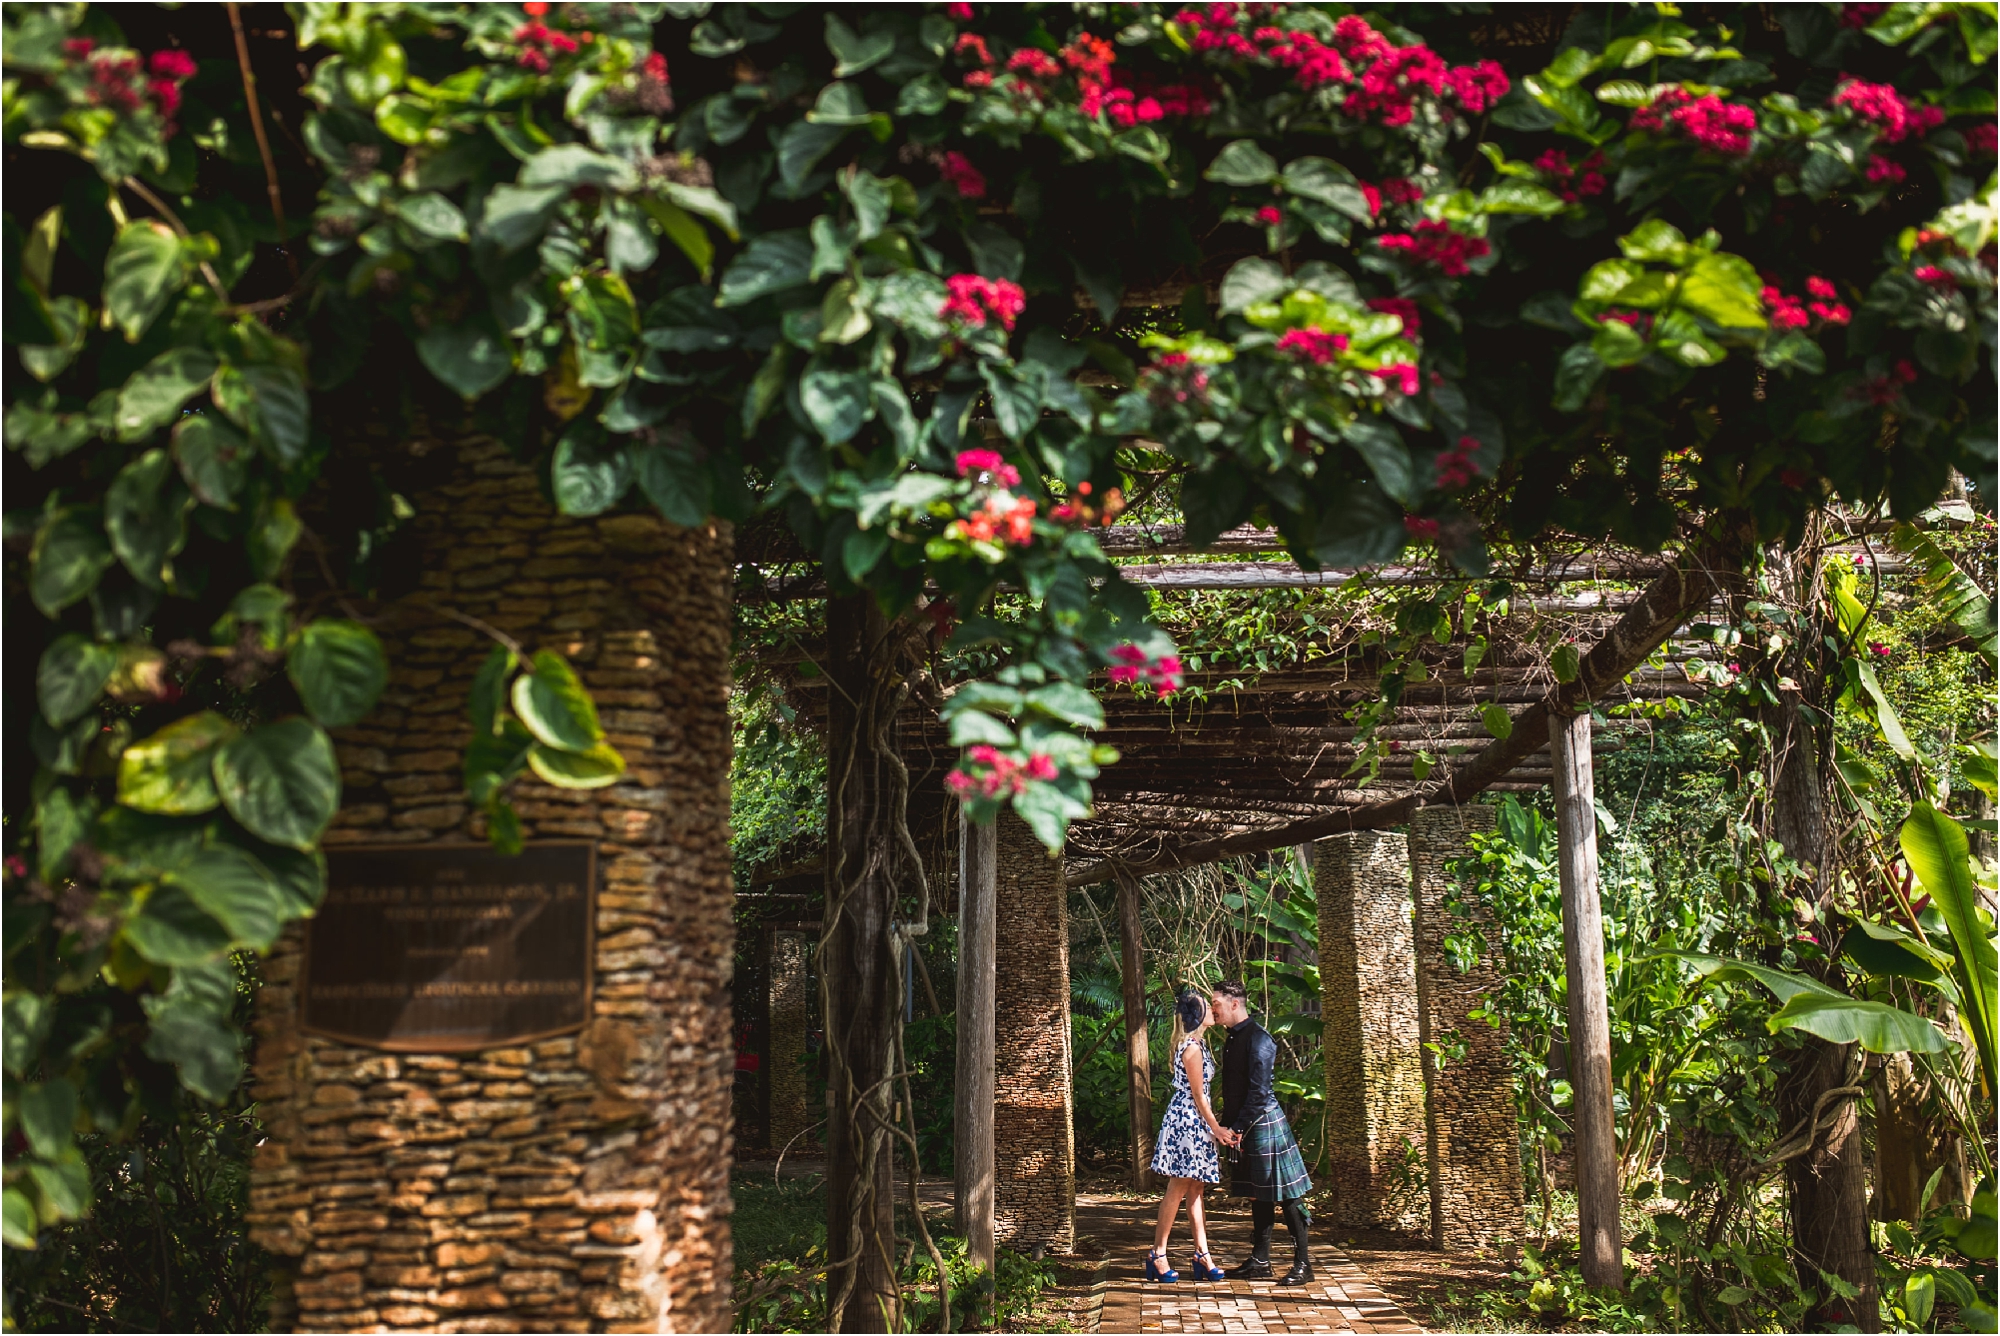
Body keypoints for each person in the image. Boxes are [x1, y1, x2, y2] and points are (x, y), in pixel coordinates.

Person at [1213, 979, 1315, 1285]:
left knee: (1288, 1195)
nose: (1212, 1009)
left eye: (1216, 1003)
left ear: (1234, 1004)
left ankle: (1304, 1264)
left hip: (1262, 1122)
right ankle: (1260, 1261)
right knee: (1260, 1195)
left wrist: (1238, 1127)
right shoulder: (1233, 1037)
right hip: (1244, 1125)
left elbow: (1259, 1093)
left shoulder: (1259, 1039)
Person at [1144, 989, 1236, 1283]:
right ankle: (1158, 1254)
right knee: (1179, 1186)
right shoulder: (1192, 1049)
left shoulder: (1197, 1044)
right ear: (1198, 1015)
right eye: (1207, 1007)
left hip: (1194, 1122)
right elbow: (1198, 1096)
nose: (1212, 1010)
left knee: (1196, 1188)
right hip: (1189, 1122)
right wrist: (1217, 1128)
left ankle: (1201, 1254)